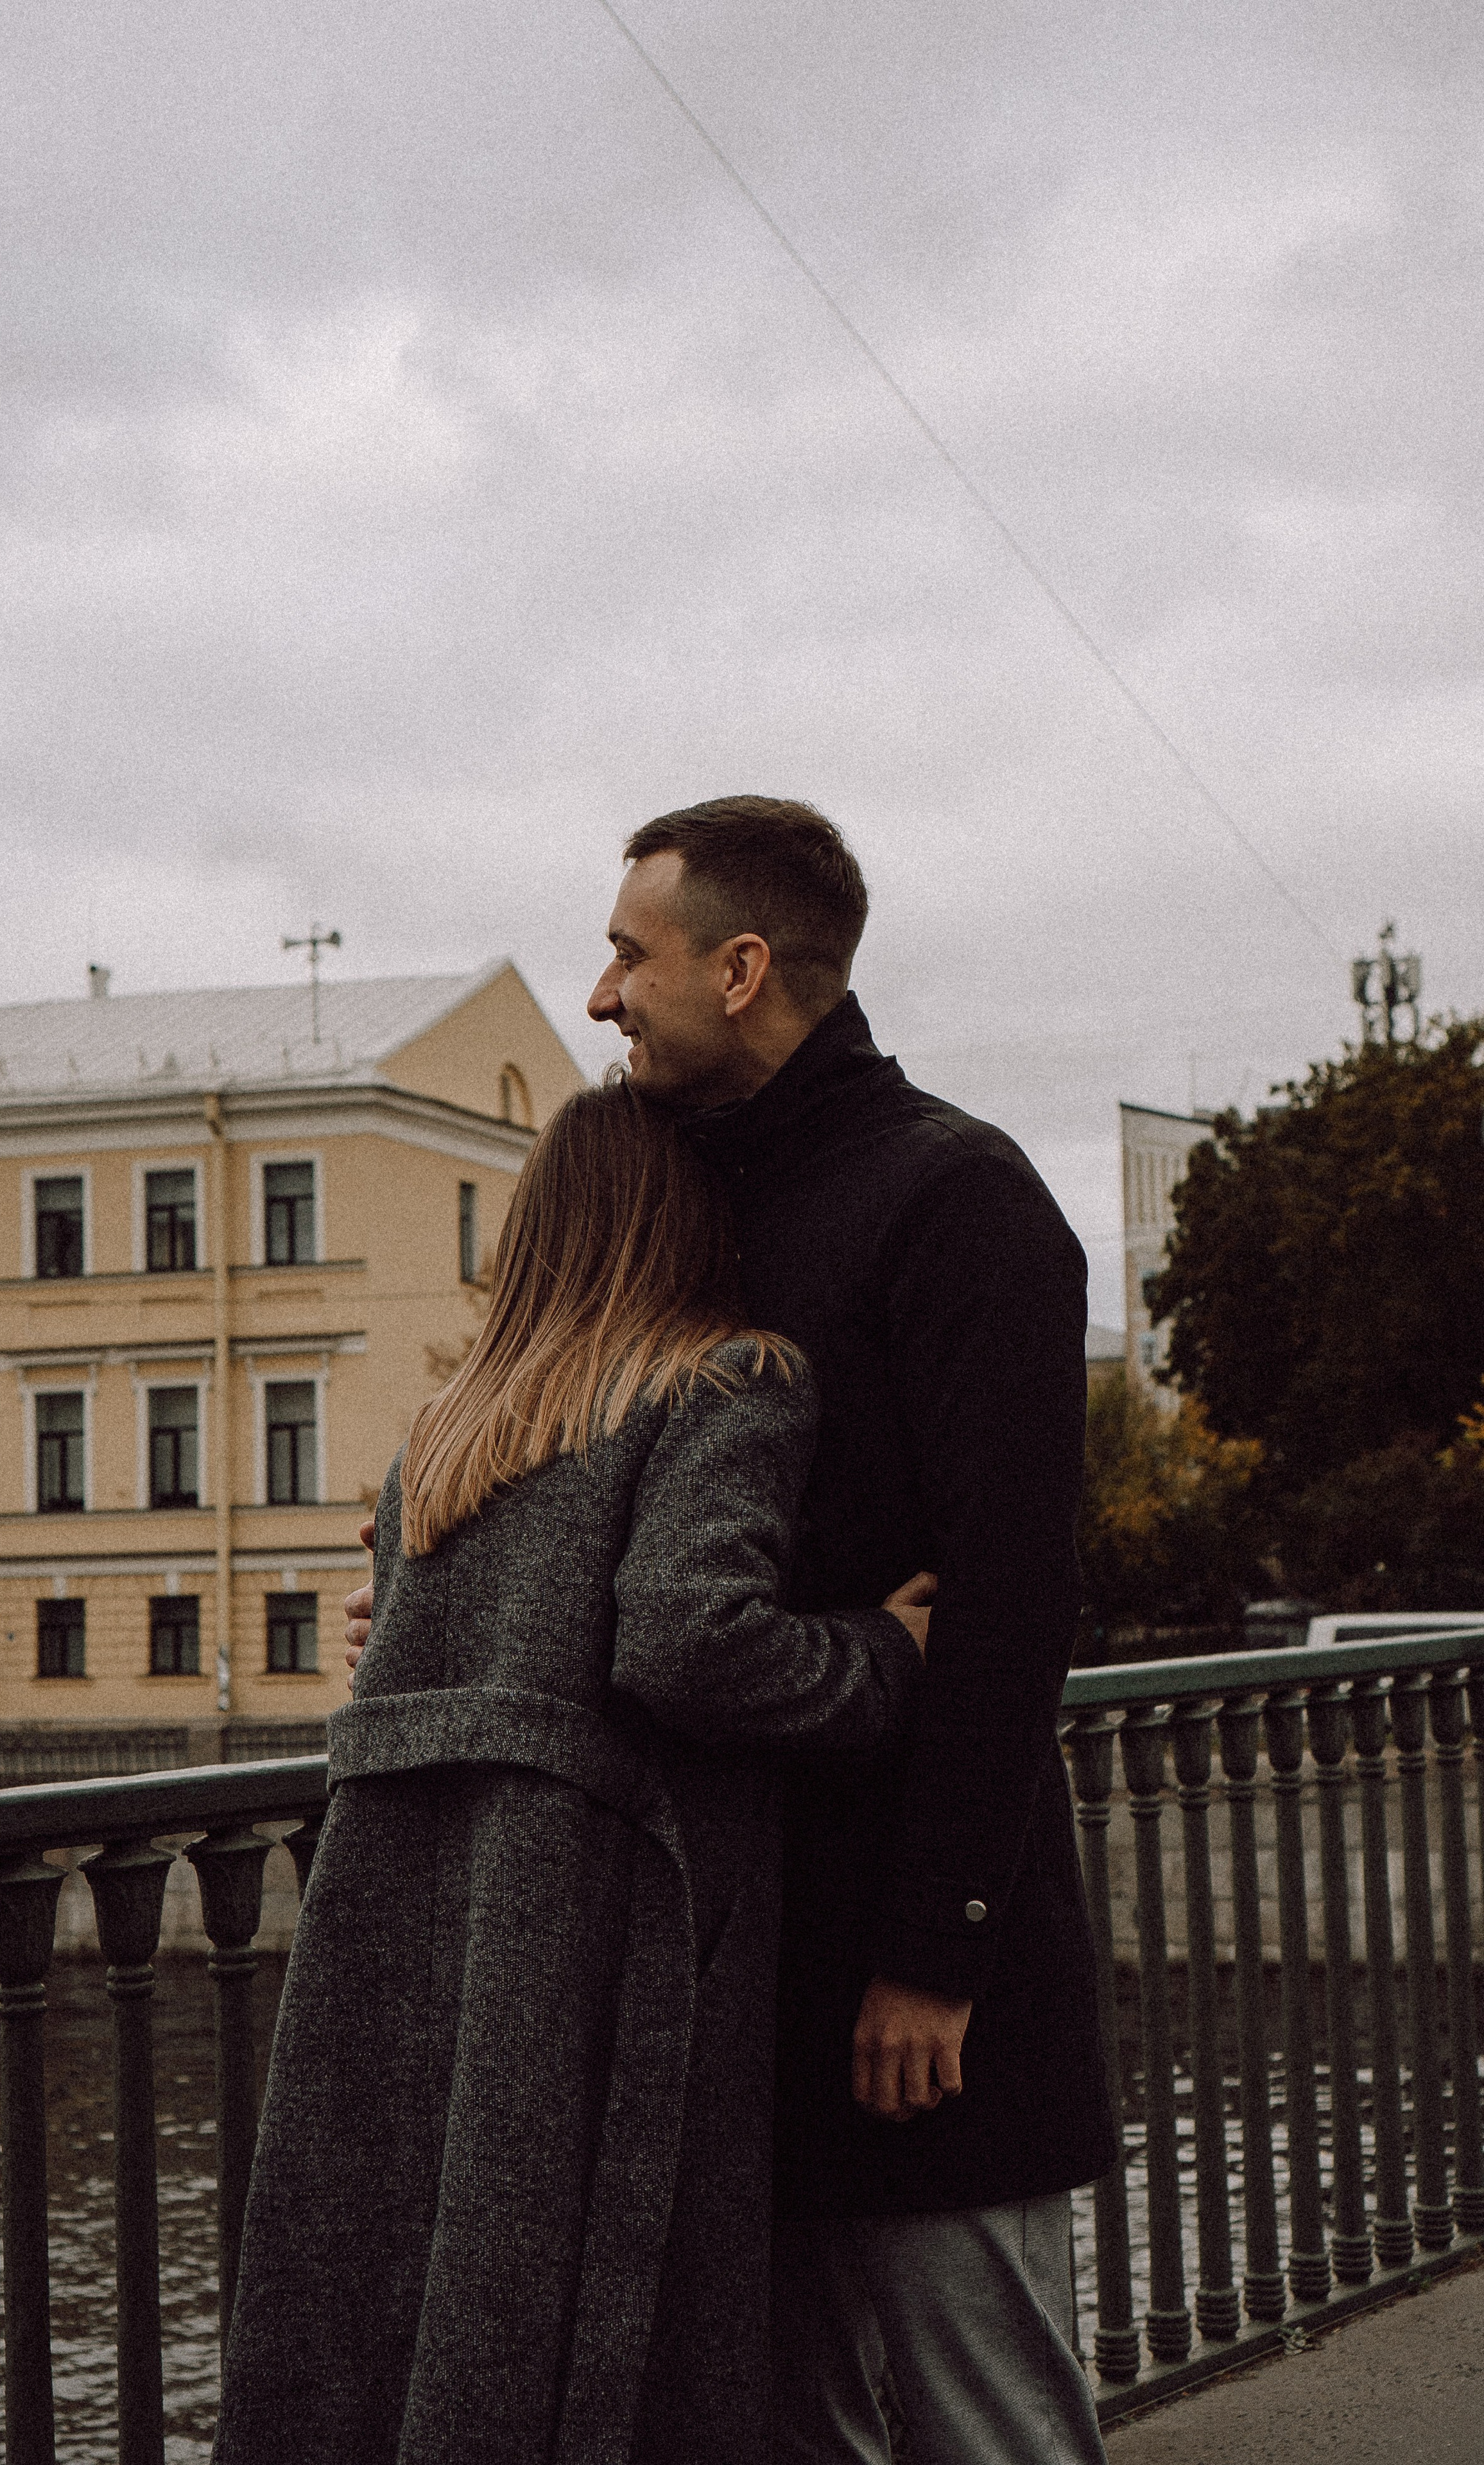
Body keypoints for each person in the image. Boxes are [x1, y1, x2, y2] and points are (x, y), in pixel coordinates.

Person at [349, 796, 1114, 2464]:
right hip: (712, 1985)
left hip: (912, 1985)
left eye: (631, 953)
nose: (604, 993)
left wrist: (937, 1954)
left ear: (745, 966)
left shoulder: (958, 1198)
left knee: (984, 2429)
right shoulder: (674, 1199)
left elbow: (1009, 1608)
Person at [216, 1075, 931, 2465]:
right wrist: (886, 1652)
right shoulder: (731, 1378)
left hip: (396, 1923)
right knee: (612, 2326)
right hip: (598, 1931)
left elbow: (407, 1659)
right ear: (691, 1213)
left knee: (412, 2303)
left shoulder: (445, 1433)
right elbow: (685, 1642)